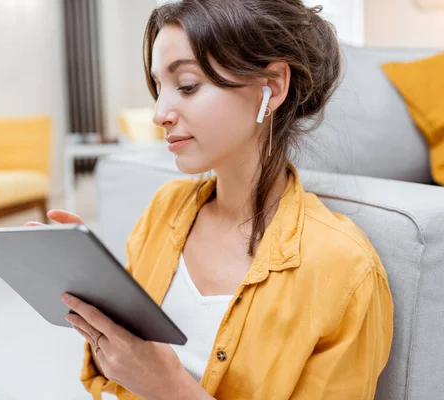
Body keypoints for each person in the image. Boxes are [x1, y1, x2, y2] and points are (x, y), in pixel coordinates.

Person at [31, 1, 394, 399]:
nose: (160, 113)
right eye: (158, 88)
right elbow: (114, 376)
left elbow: (153, 380)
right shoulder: (165, 208)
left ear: (270, 88)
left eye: (186, 85)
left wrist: (169, 387)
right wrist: (98, 295)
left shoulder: (344, 269)